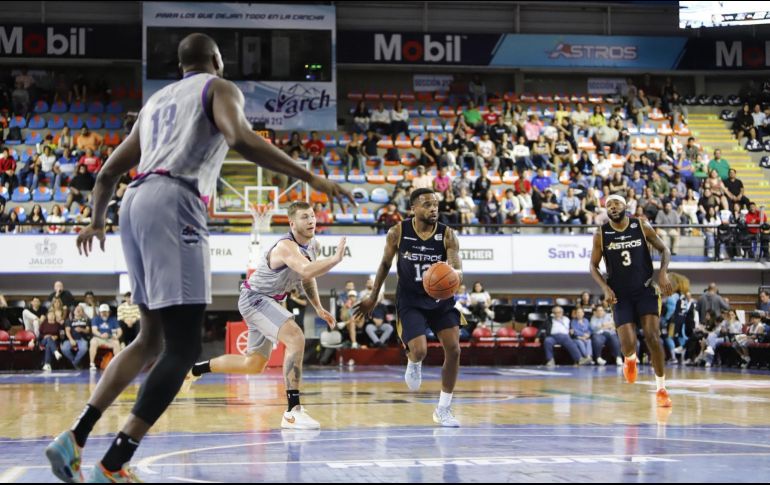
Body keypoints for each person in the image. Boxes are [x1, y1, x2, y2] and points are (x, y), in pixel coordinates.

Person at [45, 33, 355, 483]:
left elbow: (109, 171)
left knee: (148, 340)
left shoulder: (154, 104)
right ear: (216, 60)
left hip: (132, 204)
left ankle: (75, 435)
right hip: (176, 200)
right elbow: (241, 138)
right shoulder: (218, 87)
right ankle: (113, 462)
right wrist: (310, 175)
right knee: (183, 345)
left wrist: (96, 221)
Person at [183, 202, 342, 428]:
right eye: (305, 217)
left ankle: (196, 369)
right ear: (292, 223)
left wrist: (317, 306)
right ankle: (292, 411)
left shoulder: (312, 245)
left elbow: (307, 278)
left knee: (253, 365)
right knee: (296, 337)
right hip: (256, 298)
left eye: (313, 216)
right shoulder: (286, 246)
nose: (311, 221)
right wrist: (334, 260)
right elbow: (306, 270)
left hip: (267, 300)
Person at [355, 188, 464, 427]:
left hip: (440, 300)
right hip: (411, 300)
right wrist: (374, 296)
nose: (433, 208)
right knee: (420, 351)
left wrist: (453, 276)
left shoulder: (448, 235)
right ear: (413, 208)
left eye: (435, 204)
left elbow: (457, 267)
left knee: (454, 349)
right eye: (426, 204)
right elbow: (385, 264)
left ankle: (443, 409)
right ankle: (414, 361)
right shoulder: (398, 232)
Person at [589, 194, 674, 409]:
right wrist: (605, 288)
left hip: (645, 289)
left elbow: (664, 249)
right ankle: (630, 359)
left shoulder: (641, 226)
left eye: (616, 203)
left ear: (625, 206)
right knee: (628, 344)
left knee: (653, 337)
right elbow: (593, 266)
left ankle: (661, 389)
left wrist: (663, 273)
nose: (612, 206)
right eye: (608, 204)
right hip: (620, 295)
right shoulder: (601, 234)